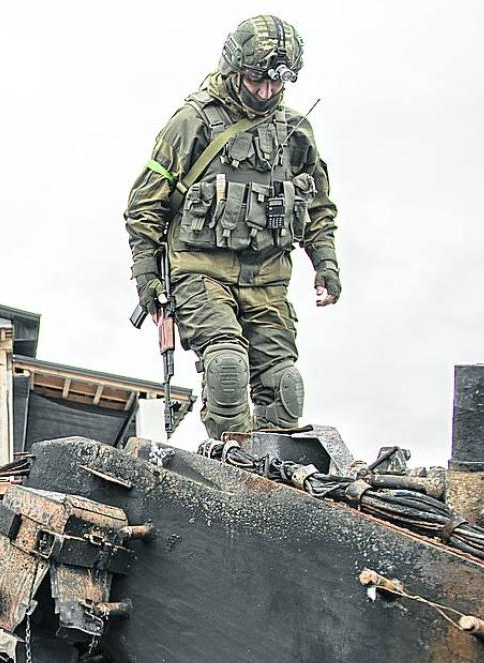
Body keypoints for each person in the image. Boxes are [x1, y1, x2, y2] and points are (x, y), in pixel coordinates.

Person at [124, 14, 340, 439]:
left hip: (269, 278)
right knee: (227, 369)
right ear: (234, 69)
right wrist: (148, 278)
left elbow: (317, 206)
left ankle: (273, 479)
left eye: (276, 84)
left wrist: (326, 265)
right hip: (200, 270)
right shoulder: (193, 122)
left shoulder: (295, 131)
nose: (266, 92)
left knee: (285, 386)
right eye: (256, 81)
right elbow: (143, 205)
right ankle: (232, 467)